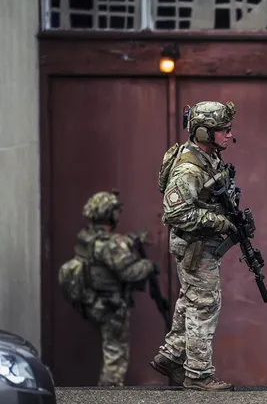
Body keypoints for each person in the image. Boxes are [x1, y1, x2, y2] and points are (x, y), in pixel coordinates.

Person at [150, 101, 238, 391]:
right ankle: (198, 374)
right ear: (203, 133)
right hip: (195, 246)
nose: (229, 134)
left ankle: (172, 356)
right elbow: (174, 213)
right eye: (223, 130)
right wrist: (218, 222)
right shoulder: (188, 168)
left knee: (191, 300)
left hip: (202, 244)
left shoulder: (207, 157)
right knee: (204, 304)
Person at [76, 190, 156, 386]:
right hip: (110, 305)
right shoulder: (111, 244)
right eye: (116, 211)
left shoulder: (86, 237)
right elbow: (129, 272)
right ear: (109, 213)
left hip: (93, 300)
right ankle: (108, 395)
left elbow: (106, 249)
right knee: (115, 355)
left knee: (109, 349)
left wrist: (131, 239)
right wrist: (149, 266)